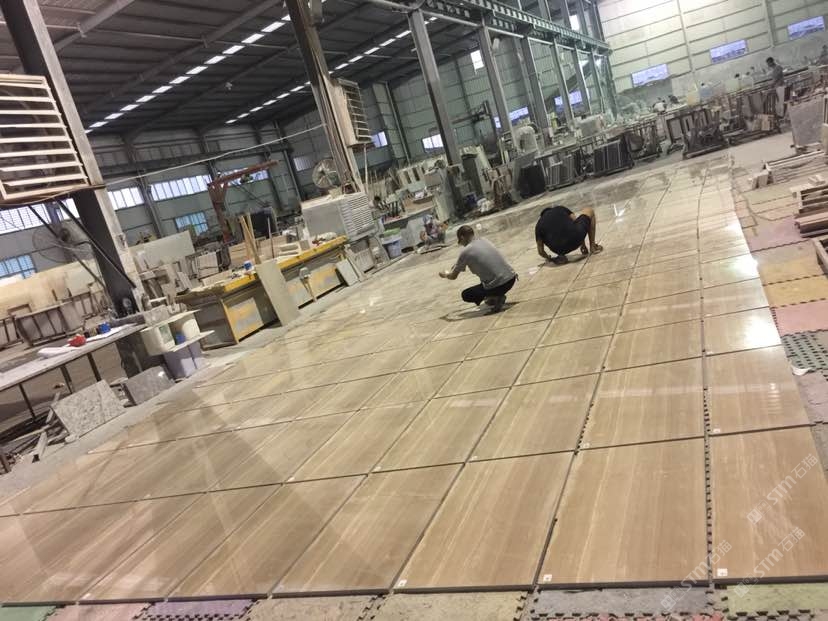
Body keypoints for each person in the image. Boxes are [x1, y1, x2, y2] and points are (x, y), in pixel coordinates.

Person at [439, 225, 516, 312]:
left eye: (460, 241)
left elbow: (453, 276)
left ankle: (496, 297)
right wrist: (458, 264)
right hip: (511, 278)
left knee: (466, 294)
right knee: (484, 277)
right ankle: (493, 296)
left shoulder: (466, 251)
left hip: (500, 285)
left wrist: (445, 274)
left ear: (462, 237)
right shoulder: (484, 240)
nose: (461, 243)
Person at [535, 205, 603, 265]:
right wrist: (583, 245)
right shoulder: (560, 208)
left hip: (559, 250)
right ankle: (593, 247)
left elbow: (540, 251)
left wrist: (548, 258)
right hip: (575, 239)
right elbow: (575, 221)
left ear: (542, 217)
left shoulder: (538, 226)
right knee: (589, 210)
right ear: (551, 209)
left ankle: (561, 256)